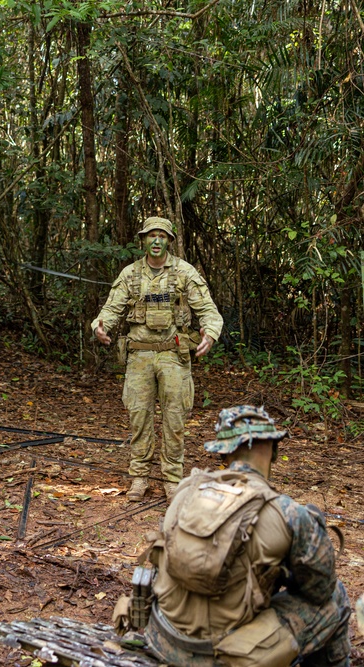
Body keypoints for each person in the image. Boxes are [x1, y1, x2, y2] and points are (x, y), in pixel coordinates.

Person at [141, 405, 350, 667]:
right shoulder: (289, 514)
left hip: (165, 641)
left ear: (224, 453)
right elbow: (319, 590)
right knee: (337, 597)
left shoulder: (185, 491)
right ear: (274, 451)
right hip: (225, 657)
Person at [90, 217, 223, 501]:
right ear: (143, 240)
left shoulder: (184, 273)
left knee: (175, 419)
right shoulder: (131, 274)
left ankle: (172, 479)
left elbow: (209, 310)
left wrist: (209, 333)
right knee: (139, 417)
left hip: (174, 355)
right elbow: (111, 308)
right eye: (152, 235)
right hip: (139, 354)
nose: (157, 241)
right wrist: (101, 327)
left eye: (162, 235)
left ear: (169, 241)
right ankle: (139, 477)